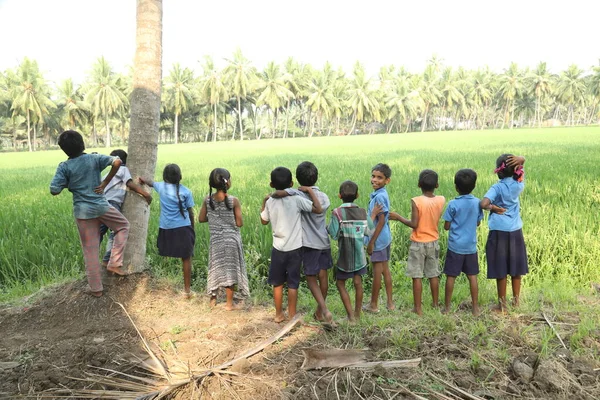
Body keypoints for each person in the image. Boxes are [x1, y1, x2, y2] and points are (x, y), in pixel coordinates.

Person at [49, 130, 130, 297]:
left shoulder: (64, 167)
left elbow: (54, 190)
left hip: (82, 212)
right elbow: (117, 161)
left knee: (90, 250)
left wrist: (70, 182)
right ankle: (114, 262)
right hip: (101, 206)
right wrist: (105, 182)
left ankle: (96, 289)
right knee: (123, 226)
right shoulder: (94, 158)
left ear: (64, 150)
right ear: (82, 144)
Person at [272, 162, 334, 325]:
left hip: (309, 244)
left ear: (297, 180)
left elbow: (279, 193)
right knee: (323, 276)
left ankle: (325, 310)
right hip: (324, 242)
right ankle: (319, 312)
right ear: (316, 177)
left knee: (311, 277)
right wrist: (310, 190)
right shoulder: (325, 197)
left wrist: (269, 197)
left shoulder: (296, 195)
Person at [260, 167, 322, 323]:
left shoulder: (270, 201)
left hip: (277, 248)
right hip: (295, 248)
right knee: (293, 283)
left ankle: (279, 314)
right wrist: (309, 191)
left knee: (277, 283)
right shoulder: (296, 199)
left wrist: (264, 201)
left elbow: (263, 221)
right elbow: (318, 209)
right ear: (292, 183)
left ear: (271, 184)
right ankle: (292, 315)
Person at [391, 169, 445, 316]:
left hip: (418, 243)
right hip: (433, 241)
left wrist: (398, 217)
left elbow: (414, 224)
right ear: (437, 185)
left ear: (419, 184)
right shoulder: (441, 199)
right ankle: (435, 304)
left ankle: (418, 309)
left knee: (417, 276)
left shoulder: (416, 201)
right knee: (433, 274)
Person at [139, 164, 195, 297]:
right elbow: (190, 212)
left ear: (164, 177)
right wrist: (192, 229)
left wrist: (141, 179)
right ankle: (187, 291)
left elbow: (150, 182)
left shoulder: (161, 187)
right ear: (180, 176)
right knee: (186, 258)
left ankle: (165, 283)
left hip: (167, 228)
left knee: (166, 251)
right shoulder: (186, 191)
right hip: (184, 228)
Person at [480, 154, 527, 313]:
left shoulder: (497, 188)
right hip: (515, 232)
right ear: (514, 169)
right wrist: (521, 160)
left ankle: (502, 305)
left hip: (499, 232)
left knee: (501, 270)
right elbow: (520, 171)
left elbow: (483, 204)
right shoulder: (518, 184)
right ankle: (516, 302)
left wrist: (493, 208)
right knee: (516, 269)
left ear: (498, 172)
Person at [328, 181, 380, 322]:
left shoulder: (337, 213)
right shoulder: (362, 212)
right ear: (357, 195)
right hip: (360, 257)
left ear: (339, 196)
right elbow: (370, 231)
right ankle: (357, 314)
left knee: (340, 283)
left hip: (344, 256)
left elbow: (333, 234)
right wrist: (373, 215)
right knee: (358, 282)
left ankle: (350, 316)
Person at [198, 168, 250, 310]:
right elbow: (239, 223)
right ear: (227, 182)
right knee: (230, 270)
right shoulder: (234, 201)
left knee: (215, 268)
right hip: (231, 240)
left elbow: (201, 219)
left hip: (216, 241)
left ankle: (213, 300)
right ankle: (228, 304)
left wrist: (214, 218)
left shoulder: (208, 200)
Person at [99, 149, 152, 268]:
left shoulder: (106, 175)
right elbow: (130, 184)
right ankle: (109, 260)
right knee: (117, 230)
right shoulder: (122, 169)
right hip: (113, 203)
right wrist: (146, 194)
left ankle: (92, 259)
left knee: (99, 232)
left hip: (102, 204)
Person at [442, 169, 484, 316]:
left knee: (451, 276)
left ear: (456, 186)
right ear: (474, 186)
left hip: (455, 246)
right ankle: (475, 308)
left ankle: (447, 308)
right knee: (472, 276)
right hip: (471, 247)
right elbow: (478, 223)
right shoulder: (478, 203)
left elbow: (446, 226)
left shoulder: (453, 204)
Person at [364, 163, 394, 313]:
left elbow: (381, 221)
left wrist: (371, 242)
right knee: (385, 270)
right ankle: (390, 303)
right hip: (384, 238)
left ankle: (373, 305)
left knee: (377, 272)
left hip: (378, 240)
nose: (375, 180)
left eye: (379, 177)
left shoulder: (379, 197)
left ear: (387, 180)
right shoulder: (381, 194)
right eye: (373, 176)